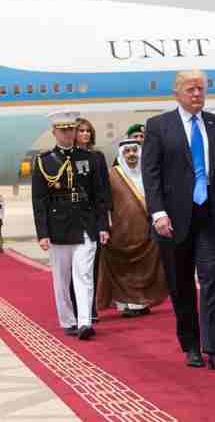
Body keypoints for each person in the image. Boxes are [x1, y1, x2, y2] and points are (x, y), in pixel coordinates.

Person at [141, 70, 215, 372]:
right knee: (181, 284)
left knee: (212, 280)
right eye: (191, 89)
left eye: (201, 89)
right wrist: (158, 213)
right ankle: (191, 345)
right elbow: (151, 174)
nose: (197, 94)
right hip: (173, 220)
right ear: (177, 93)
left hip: (210, 215)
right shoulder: (159, 126)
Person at [31, 111, 110, 340]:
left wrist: (103, 225)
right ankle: (68, 320)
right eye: (63, 130)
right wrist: (42, 233)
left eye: (71, 129)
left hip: (85, 223)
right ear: (54, 132)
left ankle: (85, 322)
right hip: (58, 226)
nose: (68, 134)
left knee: (84, 274)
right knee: (62, 278)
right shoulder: (44, 161)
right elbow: (39, 200)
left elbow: (99, 195)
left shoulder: (91, 159)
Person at [96, 140, 168, 317]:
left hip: (147, 232)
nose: (131, 154)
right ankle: (127, 302)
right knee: (126, 270)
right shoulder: (112, 175)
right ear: (121, 154)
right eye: (126, 151)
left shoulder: (148, 173)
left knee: (146, 268)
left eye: (134, 150)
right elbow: (104, 203)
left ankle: (142, 301)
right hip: (122, 233)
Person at [73, 117, 111, 323]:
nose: (86, 134)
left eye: (88, 131)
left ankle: (89, 308)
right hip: (71, 220)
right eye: (81, 131)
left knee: (92, 266)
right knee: (74, 270)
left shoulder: (97, 157)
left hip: (93, 219)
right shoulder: (68, 157)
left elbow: (104, 191)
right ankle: (77, 309)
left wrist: (104, 221)